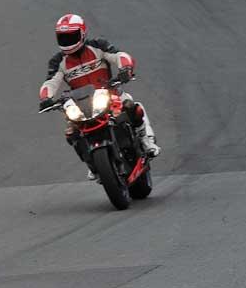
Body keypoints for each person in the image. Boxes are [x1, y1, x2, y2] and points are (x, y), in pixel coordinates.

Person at [39, 14, 161, 180]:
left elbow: (119, 55)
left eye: (71, 36)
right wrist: (46, 98)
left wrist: (125, 69)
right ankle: (92, 163)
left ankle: (146, 141)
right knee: (71, 132)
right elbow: (50, 83)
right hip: (81, 104)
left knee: (133, 107)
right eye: (63, 37)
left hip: (110, 95)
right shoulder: (58, 61)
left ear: (82, 34)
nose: (67, 41)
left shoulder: (98, 46)